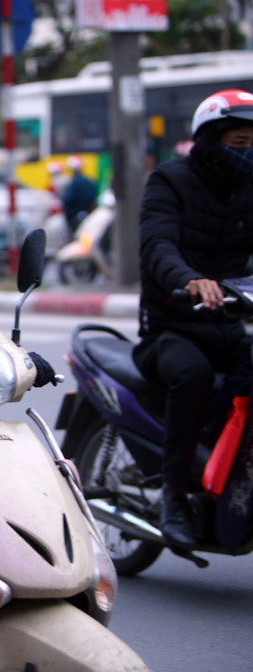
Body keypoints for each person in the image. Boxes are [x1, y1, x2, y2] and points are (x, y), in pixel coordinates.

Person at [133, 89, 253, 550]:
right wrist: (190, 279)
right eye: (239, 142)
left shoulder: (248, 188)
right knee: (194, 374)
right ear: (210, 139)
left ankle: (220, 464)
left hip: (228, 325)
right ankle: (174, 494)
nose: (248, 153)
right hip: (170, 327)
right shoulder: (170, 180)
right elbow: (157, 246)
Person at [60, 155, 98, 235]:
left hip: (74, 215)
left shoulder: (74, 182)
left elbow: (69, 198)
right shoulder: (89, 181)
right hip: (87, 213)